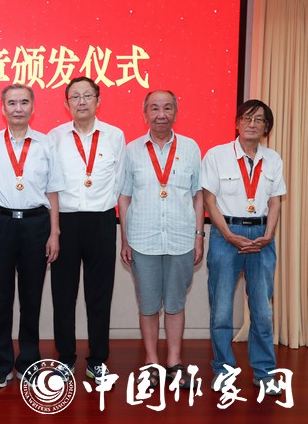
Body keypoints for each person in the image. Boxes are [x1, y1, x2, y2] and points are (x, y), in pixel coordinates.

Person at [0, 83, 64, 388]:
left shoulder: (46, 144)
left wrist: (54, 233)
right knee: (3, 298)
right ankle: (1, 365)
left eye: (24, 102)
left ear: (32, 107)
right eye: (12, 103)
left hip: (36, 224)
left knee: (31, 298)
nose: (18, 108)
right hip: (1, 223)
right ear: (3, 108)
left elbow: (53, 192)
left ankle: (28, 362)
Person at [118, 90, 203, 390]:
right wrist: (125, 239)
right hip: (143, 239)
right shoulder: (131, 150)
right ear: (145, 114)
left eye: (167, 108)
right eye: (154, 108)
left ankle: (174, 362)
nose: (161, 114)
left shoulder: (191, 148)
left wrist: (199, 236)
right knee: (149, 304)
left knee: (176, 304)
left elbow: (198, 195)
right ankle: (151, 361)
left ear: (175, 112)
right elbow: (124, 197)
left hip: (181, 238)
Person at [201, 99, 286, 395]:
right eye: (247, 118)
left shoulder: (273, 159)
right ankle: (223, 370)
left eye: (259, 120)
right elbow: (209, 201)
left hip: (262, 236)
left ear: (266, 128)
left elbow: (275, 201)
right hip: (227, 236)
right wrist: (228, 235)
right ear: (237, 123)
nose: (252, 124)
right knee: (222, 310)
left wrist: (269, 234)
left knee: (262, 311)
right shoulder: (217, 155)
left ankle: (264, 372)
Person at [48, 77, 126, 384]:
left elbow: (119, 181)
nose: (81, 102)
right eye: (75, 97)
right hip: (65, 222)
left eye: (87, 96)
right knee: (63, 296)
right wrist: (54, 229)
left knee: (99, 296)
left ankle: (97, 360)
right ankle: (65, 358)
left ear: (98, 100)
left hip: (101, 221)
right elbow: (49, 186)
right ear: (66, 103)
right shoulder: (55, 137)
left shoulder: (114, 136)